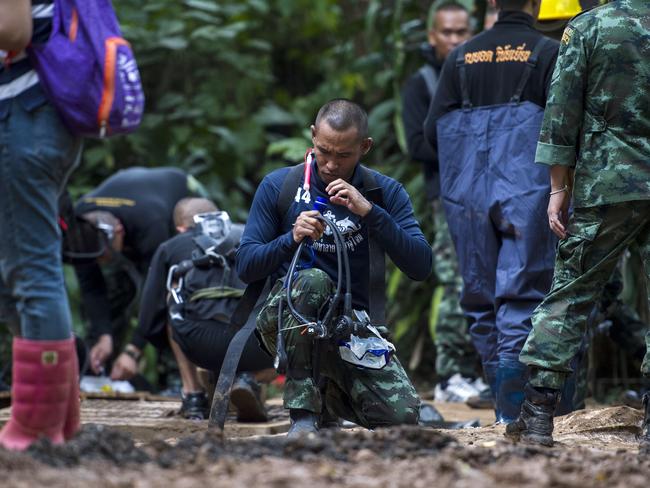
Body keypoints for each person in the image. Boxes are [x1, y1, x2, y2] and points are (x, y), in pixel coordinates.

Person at [237, 99, 432, 437]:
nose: (330, 165)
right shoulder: (279, 186)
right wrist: (291, 238)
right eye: (323, 151)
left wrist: (371, 213)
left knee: (401, 417)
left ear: (365, 147)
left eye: (343, 156)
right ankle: (303, 416)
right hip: (286, 321)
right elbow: (246, 266)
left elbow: (421, 265)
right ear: (312, 136)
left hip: (348, 329)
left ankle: (327, 396)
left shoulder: (384, 192)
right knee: (313, 281)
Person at [505, 0, 650, 448]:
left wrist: (557, 188)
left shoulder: (588, 27)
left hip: (607, 184)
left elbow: (562, 111)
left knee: (571, 293)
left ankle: (537, 416)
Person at [424, 0, 560, 422]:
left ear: (493, 4)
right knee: (522, 293)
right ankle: (516, 410)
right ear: (536, 3)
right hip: (527, 188)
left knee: (479, 295)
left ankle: (503, 405)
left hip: (465, 191)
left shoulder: (462, 57)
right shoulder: (546, 51)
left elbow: (432, 130)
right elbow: (565, 123)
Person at [0, 0, 84, 450]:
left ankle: (36, 427)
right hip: (30, 116)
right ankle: (59, 419)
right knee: (15, 272)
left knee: (31, 270)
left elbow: (13, 31)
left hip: (25, 118)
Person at [110, 197, 274, 421]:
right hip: (256, 346)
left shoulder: (171, 247)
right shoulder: (254, 236)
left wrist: (134, 351)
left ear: (181, 228)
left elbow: (150, 310)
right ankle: (249, 379)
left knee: (174, 296)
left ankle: (193, 395)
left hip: (199, 342)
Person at [402, 1, 481, 404]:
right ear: (432, 35)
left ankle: (477, 370)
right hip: (446, 198)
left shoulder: (481, 71)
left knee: (487, 279)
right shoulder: (422, 82)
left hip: (487, 194)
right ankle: (450, 374)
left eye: (461, 32)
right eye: (447, 32)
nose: (454, 39)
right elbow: (417, 145)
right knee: (456, 282)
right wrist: (473, 143)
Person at [72, 166, 204, 378]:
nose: (100, 261)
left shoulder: (151, 224)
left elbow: (158, 289)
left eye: (103, 254)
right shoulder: (79, 222)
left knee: (181, 295)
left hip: (181, 200)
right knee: (116, 294)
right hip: (136, 208)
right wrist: (103, 334)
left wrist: (134, 349)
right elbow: (91, 286)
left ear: (118, 232)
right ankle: (103, 365)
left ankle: (175, 376)